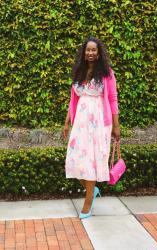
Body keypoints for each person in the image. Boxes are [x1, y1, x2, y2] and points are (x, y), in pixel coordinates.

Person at [63, 37, 120, 219]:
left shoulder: (107, 73)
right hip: (80, 121)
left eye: (94, 50)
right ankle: (92, 189)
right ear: (84, 52)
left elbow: (112, 98)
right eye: (88, 50)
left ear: (99, 52)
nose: (90, 53)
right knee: (75, 159)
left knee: (93, 161)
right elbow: (74, 99)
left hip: (98, 122)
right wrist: (67, 121)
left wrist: (116, 126)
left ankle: (88, 203)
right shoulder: (79, 71)